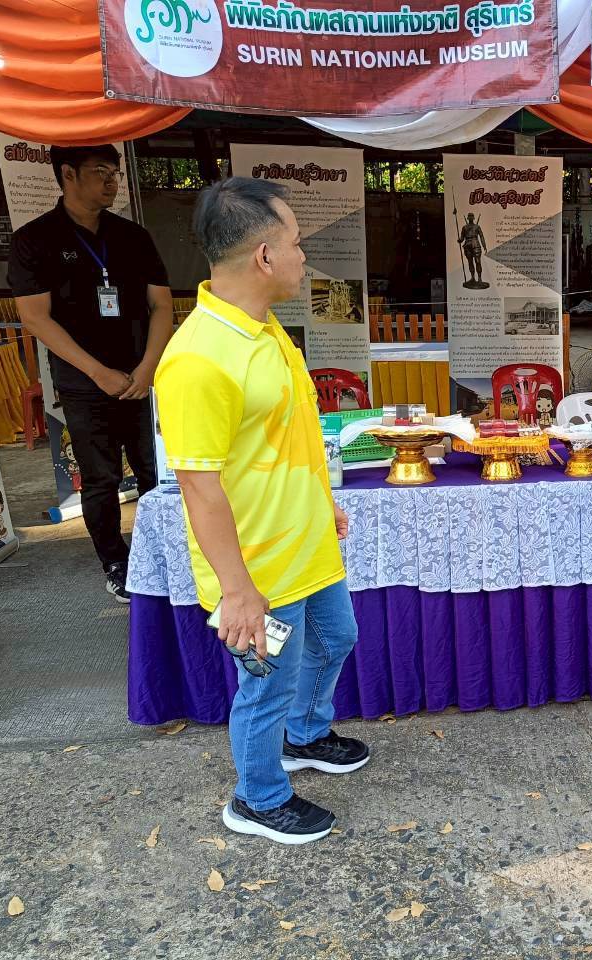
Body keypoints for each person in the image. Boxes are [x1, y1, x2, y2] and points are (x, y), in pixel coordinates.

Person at [155, 178, 367, 845]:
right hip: (258, 573)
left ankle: (305, 736)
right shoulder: (197, 359)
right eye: (297, 243)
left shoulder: (265, 328)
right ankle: (258, 797)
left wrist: (322, 504)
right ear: (265, 257)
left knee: (337, 639)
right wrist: (238, 591)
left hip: (308, 547)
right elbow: (199, 487)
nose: (305, 257)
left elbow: (290, 436)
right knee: (266, 685)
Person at [8, 144, 173, 603]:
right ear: (68, 174)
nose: (112, 181)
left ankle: (164, 551)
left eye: (115, 172)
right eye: (100, 171)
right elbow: (35, 317)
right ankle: (115, 562)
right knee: (100, 478)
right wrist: (98, 372)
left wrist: (148, 368)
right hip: (84, 383)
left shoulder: (132, 237)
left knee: (156, 469)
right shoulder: (34, 240)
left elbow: (161, 305)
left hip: (141, 377)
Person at [459, 212, 487, 287]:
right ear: (468, 218)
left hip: (475, 244)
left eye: (472, 216)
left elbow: (481, 236)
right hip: (467, 244)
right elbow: (462, 237)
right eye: (469, 216)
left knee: (478, 261)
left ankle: (479, 278)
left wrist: (484, 246)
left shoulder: (477, 227)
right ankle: (472, 278)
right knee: (470, 262)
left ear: (473, 218)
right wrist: (459, 240)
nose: (471, 218)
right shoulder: (464, 227)